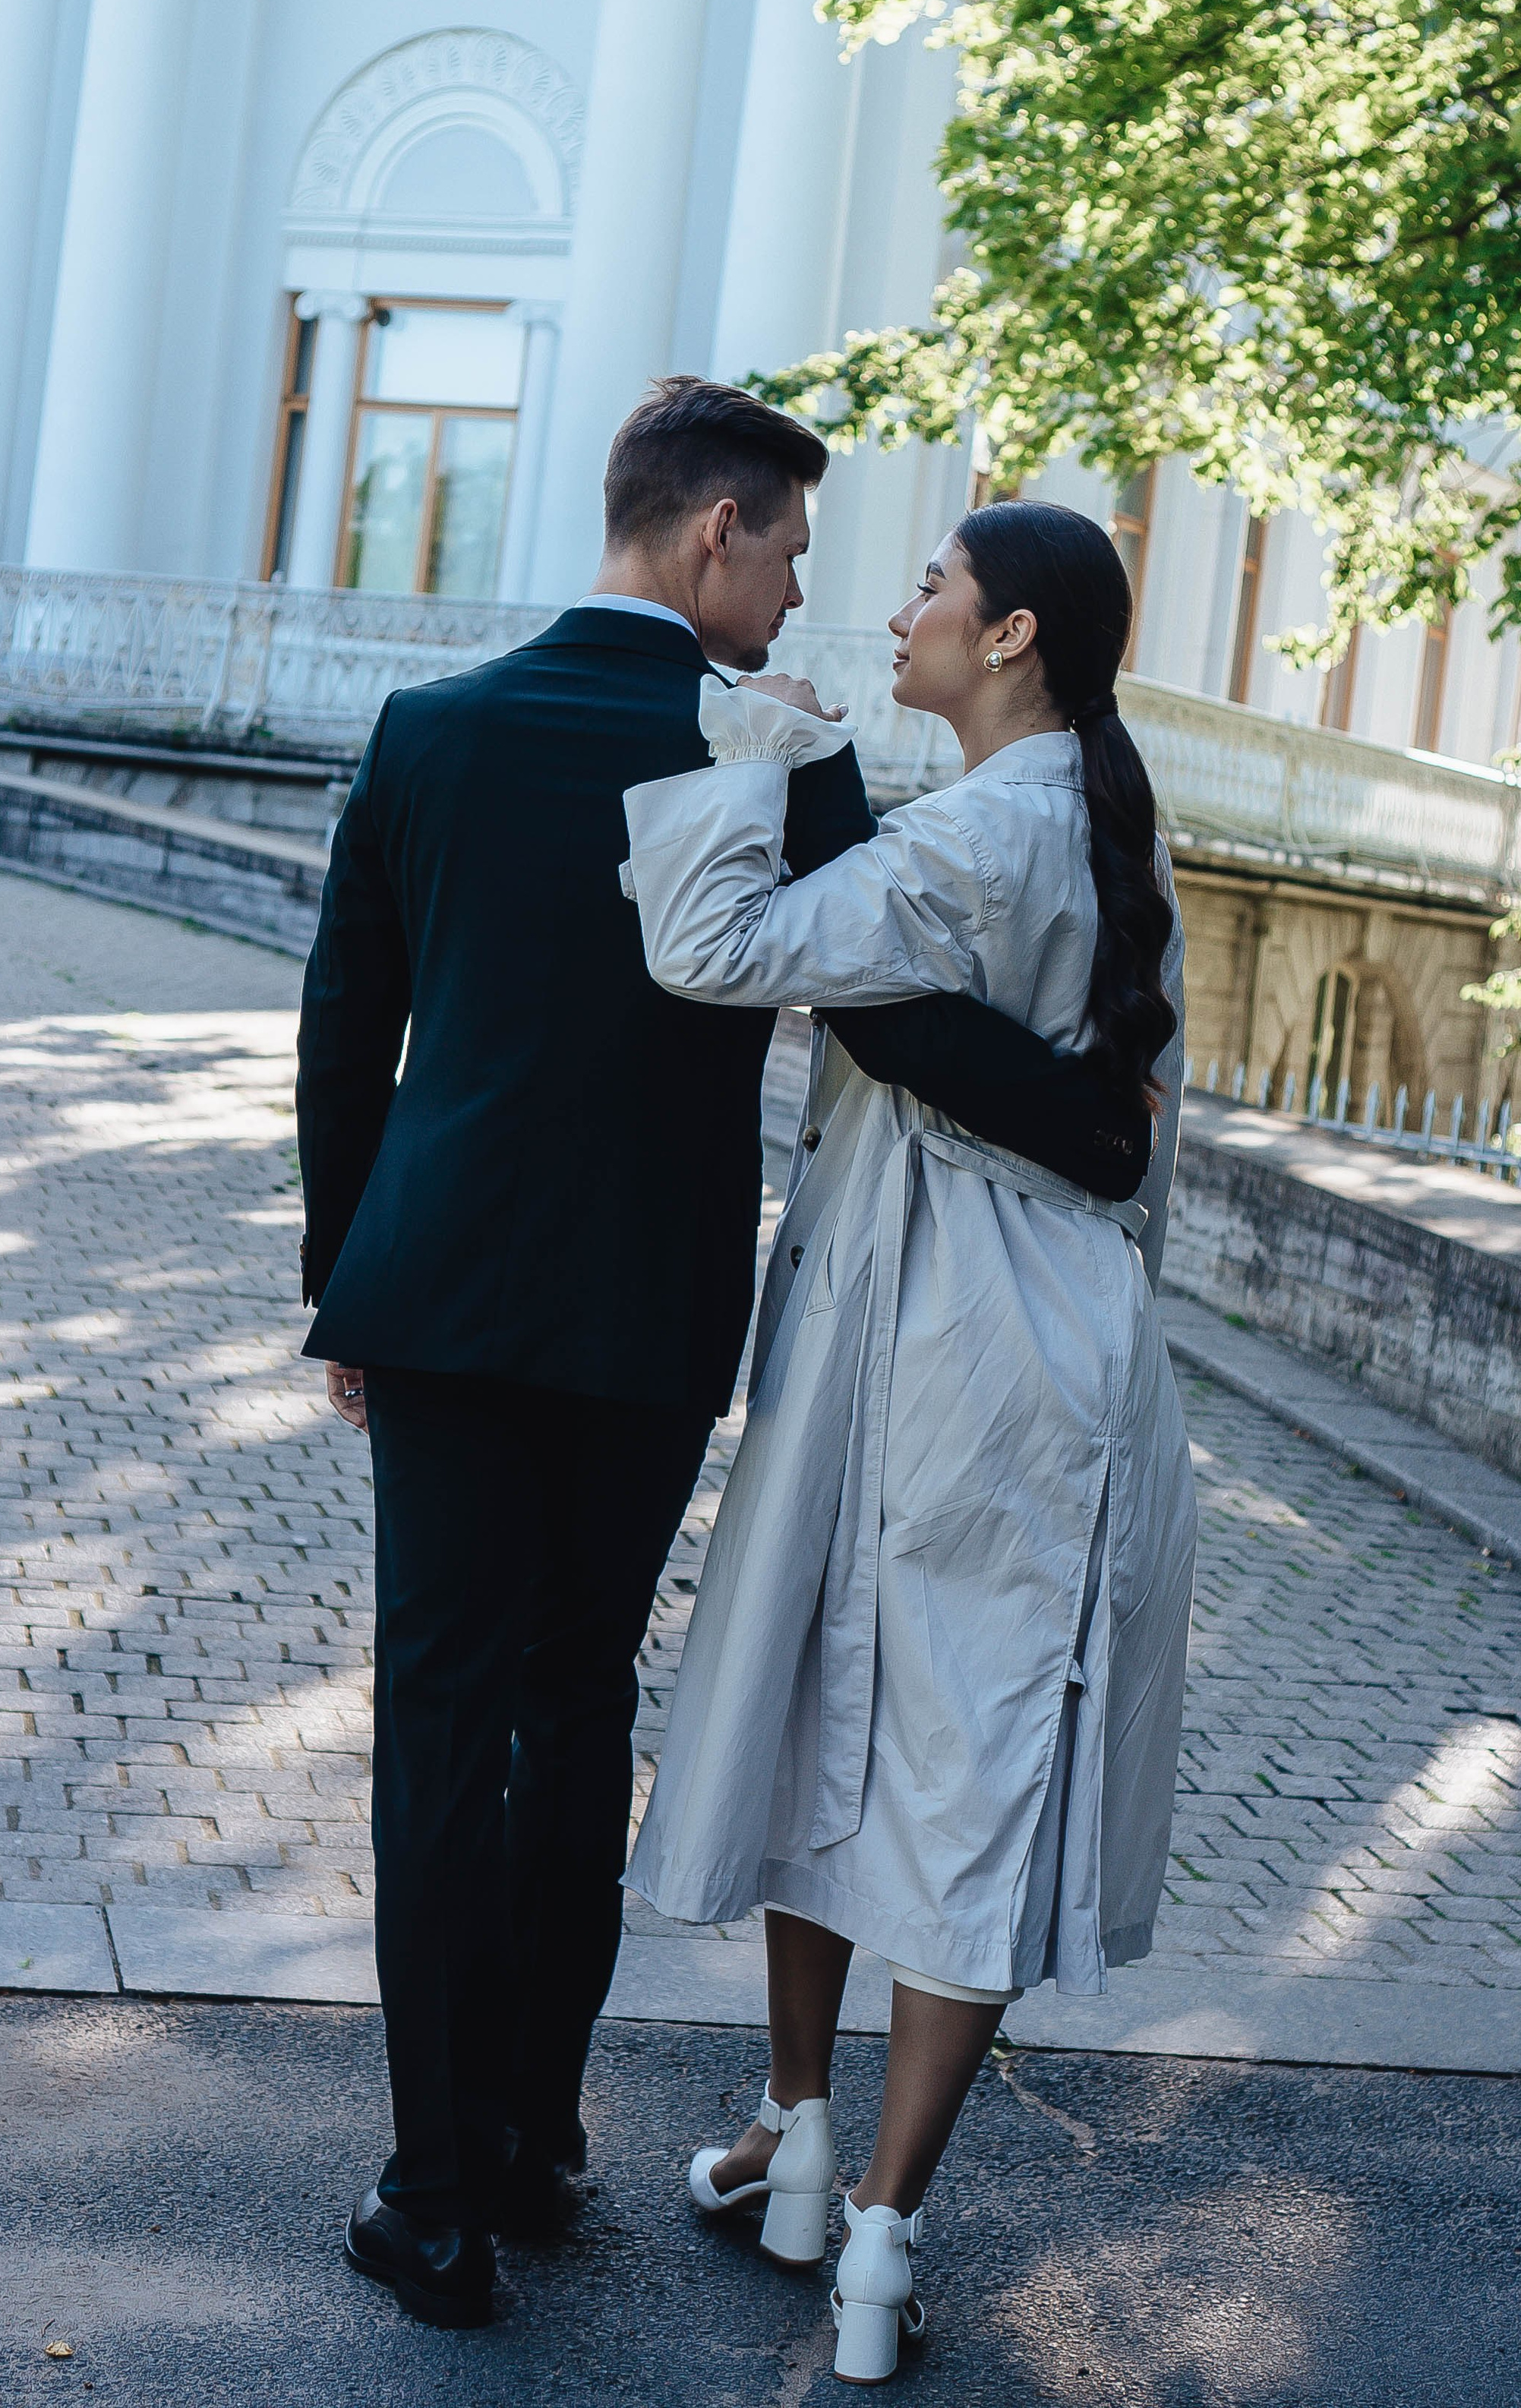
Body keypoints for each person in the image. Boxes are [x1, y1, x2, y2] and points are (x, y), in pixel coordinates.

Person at [295, 382, 1164, 2331]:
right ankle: (529, 2134)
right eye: (783, 547)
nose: (802, 594)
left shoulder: (430, 731)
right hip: (648, 1322)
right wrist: (1102, 1121)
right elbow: (890, 1017)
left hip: (431, 1307)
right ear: (711, 533)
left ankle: (428, 2191)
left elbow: (347, 1033)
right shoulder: (790, 762)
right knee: (573, 1707)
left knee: (436, 1731)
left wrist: (338, 1282)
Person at [622, 497, 1198, 2384]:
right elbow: (1129, 1138)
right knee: (971, 1753)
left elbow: (708, 944)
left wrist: (755, 745)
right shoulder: (1111, 820)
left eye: (931, 590)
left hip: (915, 1312)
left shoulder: (966, 833)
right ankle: (867, 2215)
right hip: (1059, 1335)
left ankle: (800, 2136)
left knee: (826, 1694)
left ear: (1012, 634)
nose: (892, 612)